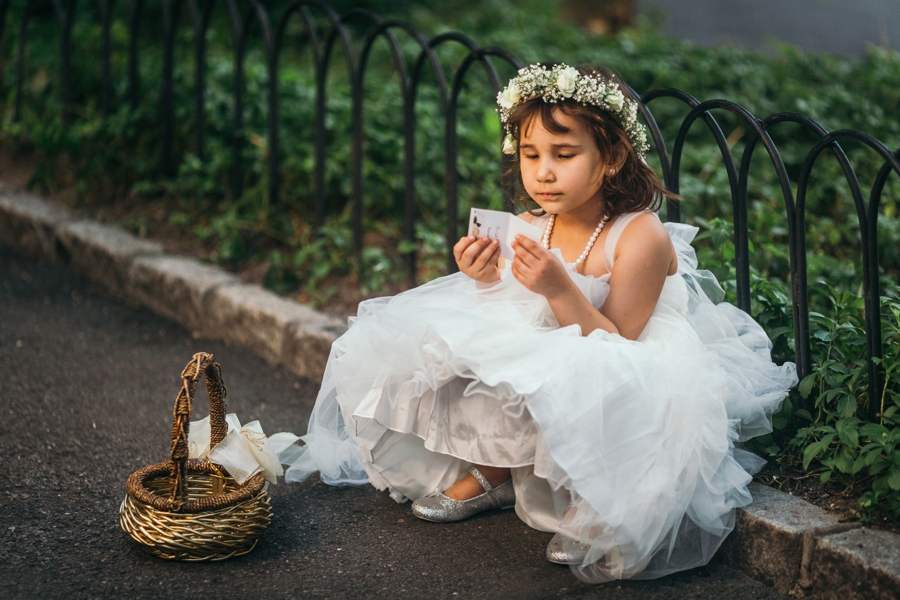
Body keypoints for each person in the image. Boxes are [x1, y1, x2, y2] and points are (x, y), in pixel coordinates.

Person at [284, 63, 797, 583]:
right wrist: (485, 278)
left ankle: (594, 498)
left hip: (629, 363)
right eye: (530, 155)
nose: (543, 172)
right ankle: (496, 469)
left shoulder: (640, 235)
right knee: (456, 343)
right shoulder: (530, 225)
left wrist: (559, 287)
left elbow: (618, 344)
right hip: (560, 348)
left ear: (612, 157)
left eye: (564, 155)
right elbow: (508, 314)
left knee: (586, 372)